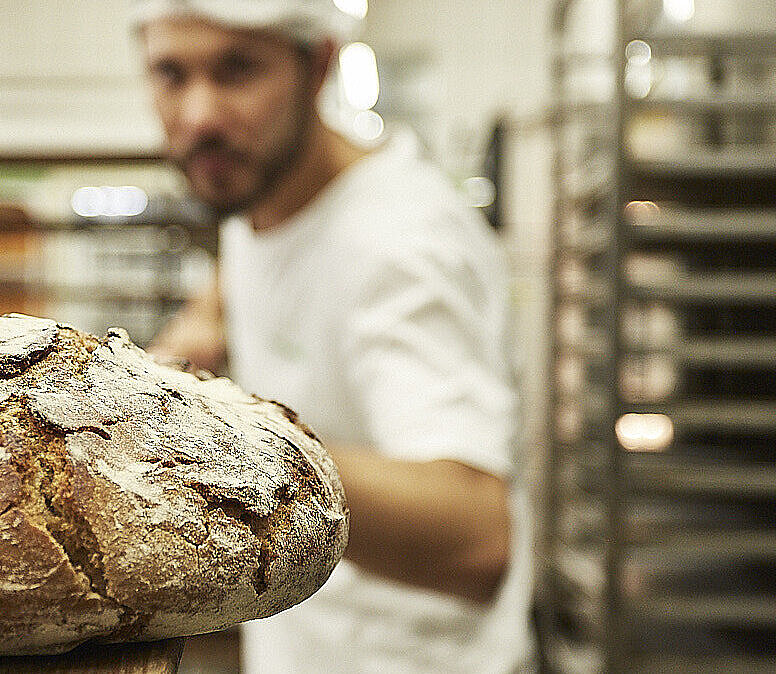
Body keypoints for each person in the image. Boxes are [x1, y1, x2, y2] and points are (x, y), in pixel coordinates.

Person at [130, 1, 534, 672]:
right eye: (171, 73)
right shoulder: (262, 195)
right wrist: (182, 348)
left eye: (238, 70)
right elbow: (241, 284)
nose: (199, 114)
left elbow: (477, 539)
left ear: (318, 66)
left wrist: (224, 441)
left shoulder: (400, 247)